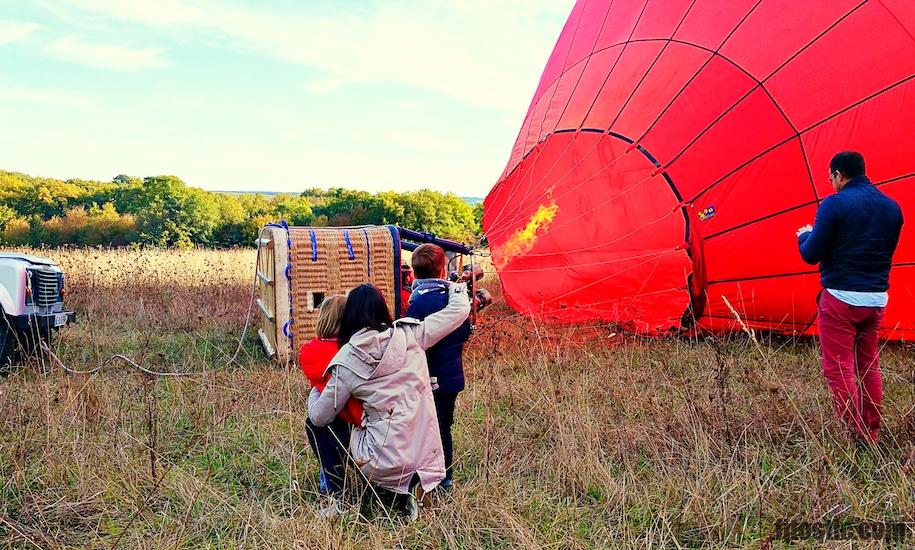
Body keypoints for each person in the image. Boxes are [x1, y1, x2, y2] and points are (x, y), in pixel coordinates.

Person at [307, 281, 470, 519]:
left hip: (381, 460)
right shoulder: (412, 335)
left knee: (317, 425)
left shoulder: (347, 360)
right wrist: (454, 287)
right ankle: (414, 486)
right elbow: (458, 312)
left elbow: (320, 416)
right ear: (383, 308)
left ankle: (339, 498)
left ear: (349, 316)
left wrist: (316, 388)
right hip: (425, 453)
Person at [796, 151, 903, 444]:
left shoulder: (834, 205)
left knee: (838, 366)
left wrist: (803, 236)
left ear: (838, 175)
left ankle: (854, 435)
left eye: (831, 178)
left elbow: (810, 254)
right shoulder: (893, 208)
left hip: (841, 298)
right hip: (876, 299)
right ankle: (871, 430)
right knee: (868, 365)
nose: (831, 183)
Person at [406, 244, 472, 491]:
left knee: (422, 427)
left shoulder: (418, 302)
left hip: (424, 376)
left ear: (413, 273)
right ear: (443, 269)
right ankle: (445, 476)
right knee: (444, 425)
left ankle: (423, 476)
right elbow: (464, 331)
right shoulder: (453, 299)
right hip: (451, 375)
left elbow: (409, 340)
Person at [299, 295, 363, 518]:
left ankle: (336, 490)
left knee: (316, 425)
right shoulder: (353, 351)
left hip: (340, 419)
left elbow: (321, 395)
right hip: (362, 422)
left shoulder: (311, 353)